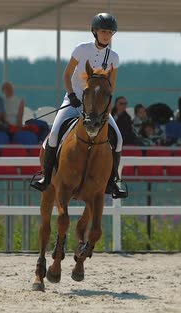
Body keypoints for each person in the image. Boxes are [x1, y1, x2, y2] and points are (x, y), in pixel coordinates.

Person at [30, 13, 126, 199]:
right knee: (55, 134)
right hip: (74, 101)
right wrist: (72, 95)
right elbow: (66, 75)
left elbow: (111, 87)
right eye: (103, 31)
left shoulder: (114, 57)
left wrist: (105, 109)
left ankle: (113, 180)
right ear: (95, 32)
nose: (106, 35)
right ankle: (46, 176)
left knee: (119, 139)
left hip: (97, 107)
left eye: (109, 32)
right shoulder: (81, 49)